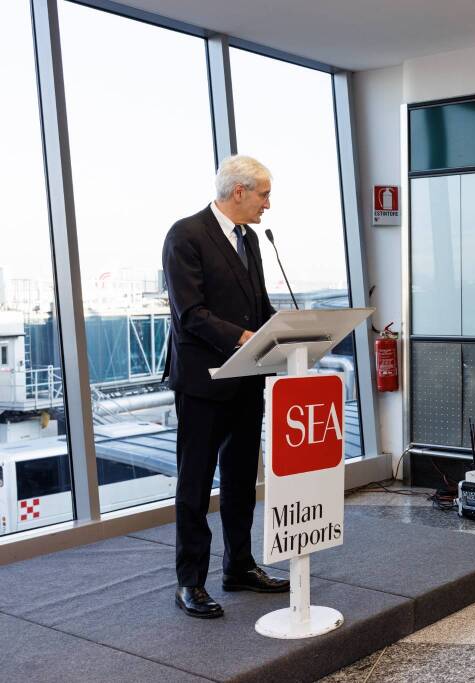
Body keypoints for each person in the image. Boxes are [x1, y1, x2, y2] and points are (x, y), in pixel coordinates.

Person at [162, 155, 288, 619]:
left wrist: (290, 330)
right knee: (194, 484)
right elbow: (189, 314)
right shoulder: (186, 235)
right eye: (264, 194)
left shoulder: (249, 239)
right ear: (239, 191)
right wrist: (244, 337)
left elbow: (257, 303)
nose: (267, 205)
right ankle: (190, 581)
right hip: (202, 383)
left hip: (246, 378)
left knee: (239, 479)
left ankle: (239, 566)